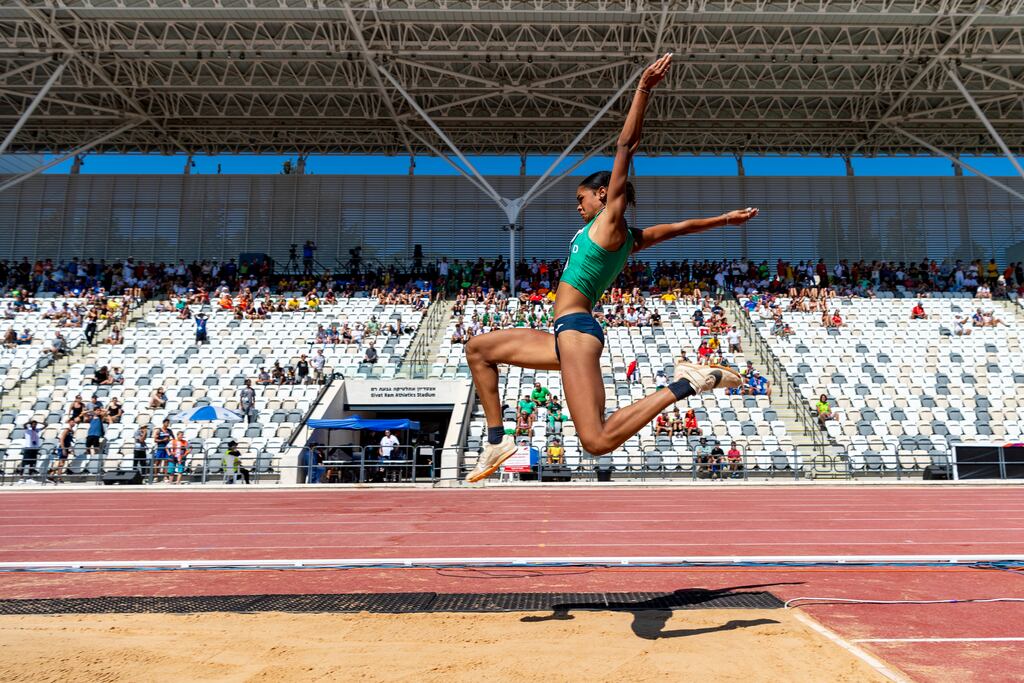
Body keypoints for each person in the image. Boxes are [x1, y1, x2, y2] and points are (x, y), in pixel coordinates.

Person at [463, 56, 755, 481]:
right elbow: (676, 229)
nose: (577, 205)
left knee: (596, 441)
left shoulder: (609, 222)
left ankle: (688, 383)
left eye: (581, 198)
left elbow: (625, 148)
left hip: (577, 332)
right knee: (479, 348)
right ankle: (496, 441)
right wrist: (723, 220)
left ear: (603, 194)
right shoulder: (626, 238)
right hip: (563, 336)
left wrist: (643, 90)